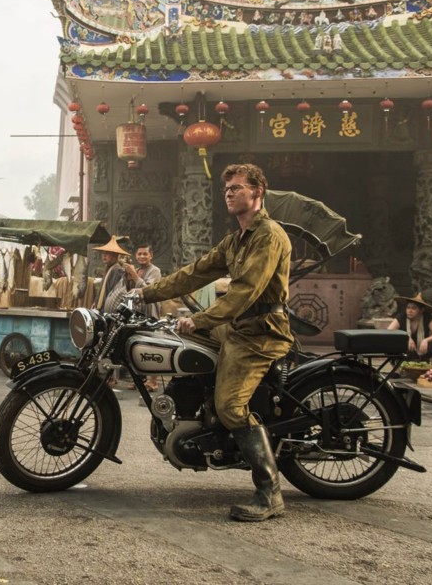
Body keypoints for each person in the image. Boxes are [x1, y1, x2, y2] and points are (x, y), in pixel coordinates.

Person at [132, 163, 292, 523]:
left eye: (237, 187)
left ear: (257, 192)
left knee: (232, 407)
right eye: (227, 189)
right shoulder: (236, 239)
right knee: (178, 339)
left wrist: (202, 319)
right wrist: (146, 292)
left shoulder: (268, 235)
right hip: (236, 325)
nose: (229, 194)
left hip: (259, 331)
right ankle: (194, 408)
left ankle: (270, 493)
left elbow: (247, 291)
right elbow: (196, 272)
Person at [125, 244, 163, 391]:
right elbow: (129, 289)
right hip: (136, 313)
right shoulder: (137, 270)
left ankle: (152, 381)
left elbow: (148, 290)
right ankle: (139, 380)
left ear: (151, 256)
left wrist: (134, 276)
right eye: (139, 254)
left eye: (145, 254)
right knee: (136, 347)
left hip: (150, 312)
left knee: (151, 346)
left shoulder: (155, 271)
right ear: (135, 256)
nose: (142, 256)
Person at [386, 292, 432, 363]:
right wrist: (406, 338)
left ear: (421, 310)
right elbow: (389, 331)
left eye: (414, 308)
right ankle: (399, 368)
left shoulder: (426, 317)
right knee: (392, 345)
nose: (410, 311)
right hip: (407, 350)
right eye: (408, 308)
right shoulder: (402, 316)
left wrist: (426, 340)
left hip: (422, 348)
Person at [92, 237, 131, 313]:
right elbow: (102, 290)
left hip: (108, 310)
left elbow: (112, 294)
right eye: (103, 253)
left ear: (115, 255)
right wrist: (96, 302)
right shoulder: (108, 268)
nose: (104, 256)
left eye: (107, 253)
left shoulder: (117, 270)